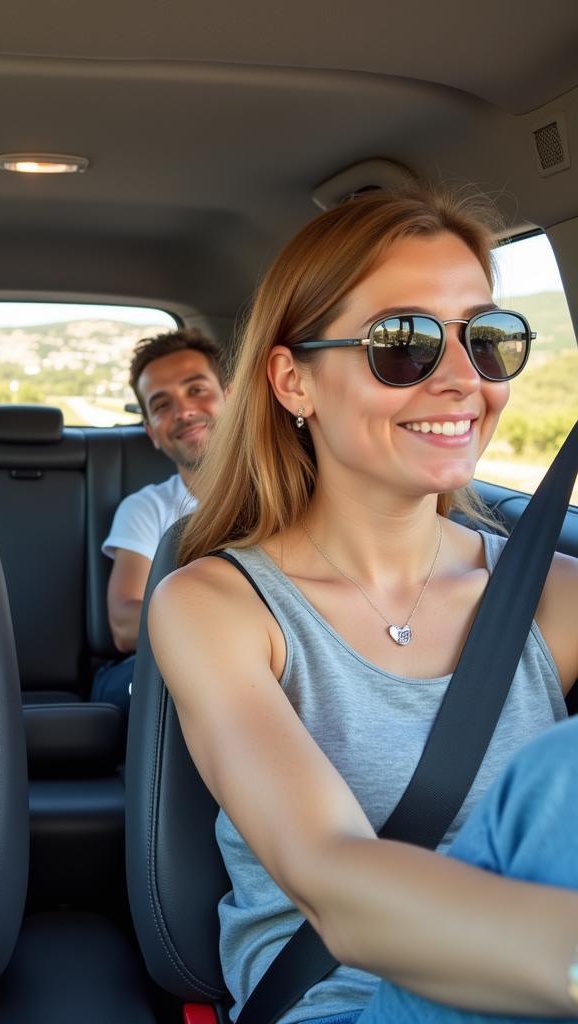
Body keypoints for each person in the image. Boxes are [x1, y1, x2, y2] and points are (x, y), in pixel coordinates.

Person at [148, 188, 578, 1023]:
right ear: (293, 381)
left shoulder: (552, 596)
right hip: (342, 1000)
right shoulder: (218, 606)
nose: (463, 380)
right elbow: (332, 874)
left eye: (487, 340)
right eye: (404, 344)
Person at [93, 328, 228, 711]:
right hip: (153, 668)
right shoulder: (147, 508)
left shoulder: (285, 496)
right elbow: (122, 624)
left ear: (231, 398)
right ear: (152, 432)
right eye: (162, 404)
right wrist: (228, 627)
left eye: (197, 389)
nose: (183, 411)